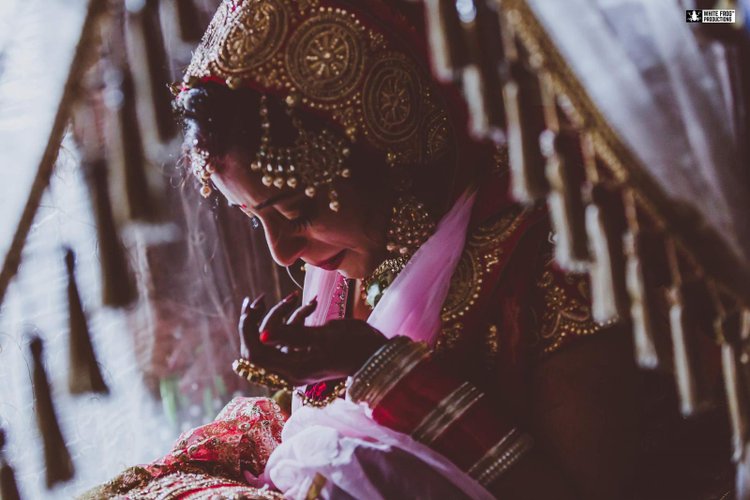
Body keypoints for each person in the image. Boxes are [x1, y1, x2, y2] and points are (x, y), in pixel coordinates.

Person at [84, 0, 732, 498]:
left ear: (391, 149)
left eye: (296, 211)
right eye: (256, 219)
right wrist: (313, 385)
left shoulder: (557, 260)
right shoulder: (361, 256)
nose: (282, 252)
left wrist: (381, 370)